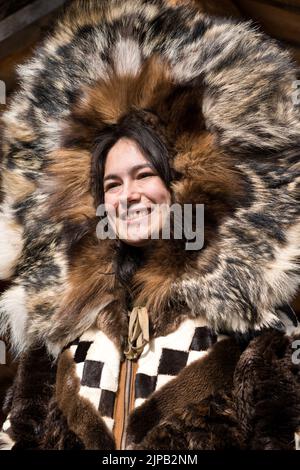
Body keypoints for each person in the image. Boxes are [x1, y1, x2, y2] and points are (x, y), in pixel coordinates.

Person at [0, 0, 300, 450]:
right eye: (112, 184)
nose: (129, 195)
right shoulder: (63, 330)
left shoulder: (248, 315)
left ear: (178, 187)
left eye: (144, 175)